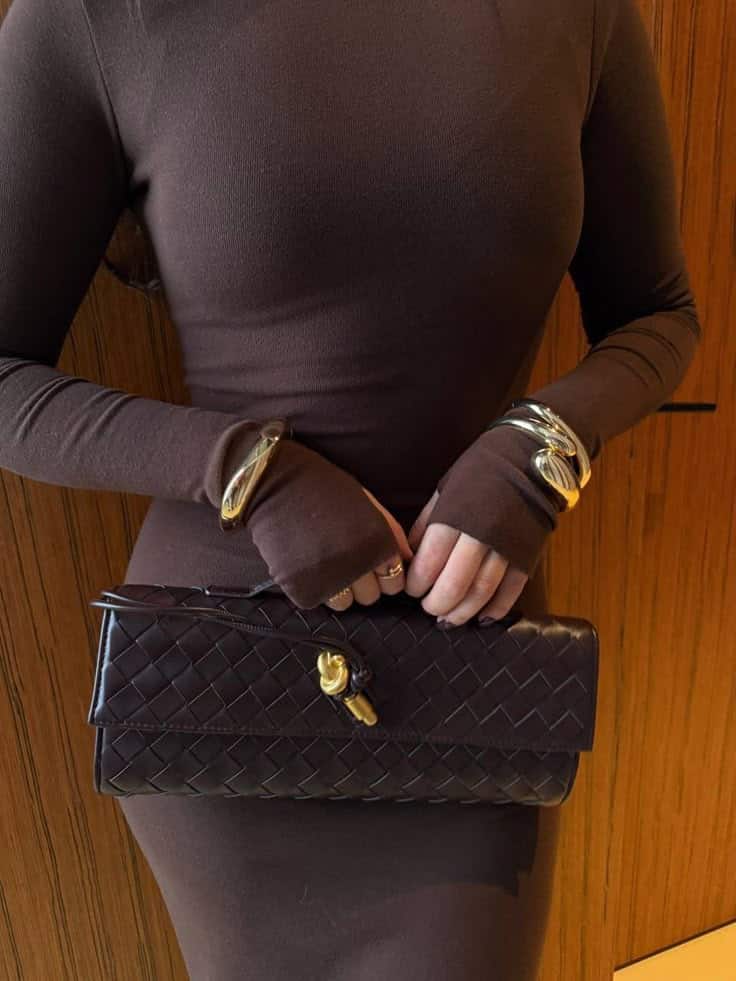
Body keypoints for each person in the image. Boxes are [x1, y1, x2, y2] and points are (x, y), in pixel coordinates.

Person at [0, 0, 701, 977]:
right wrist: (245, 471)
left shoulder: (579, 15)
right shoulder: (96, 17)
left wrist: (540, 453)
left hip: (467, 673)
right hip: (218, 683)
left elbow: (659, 317)